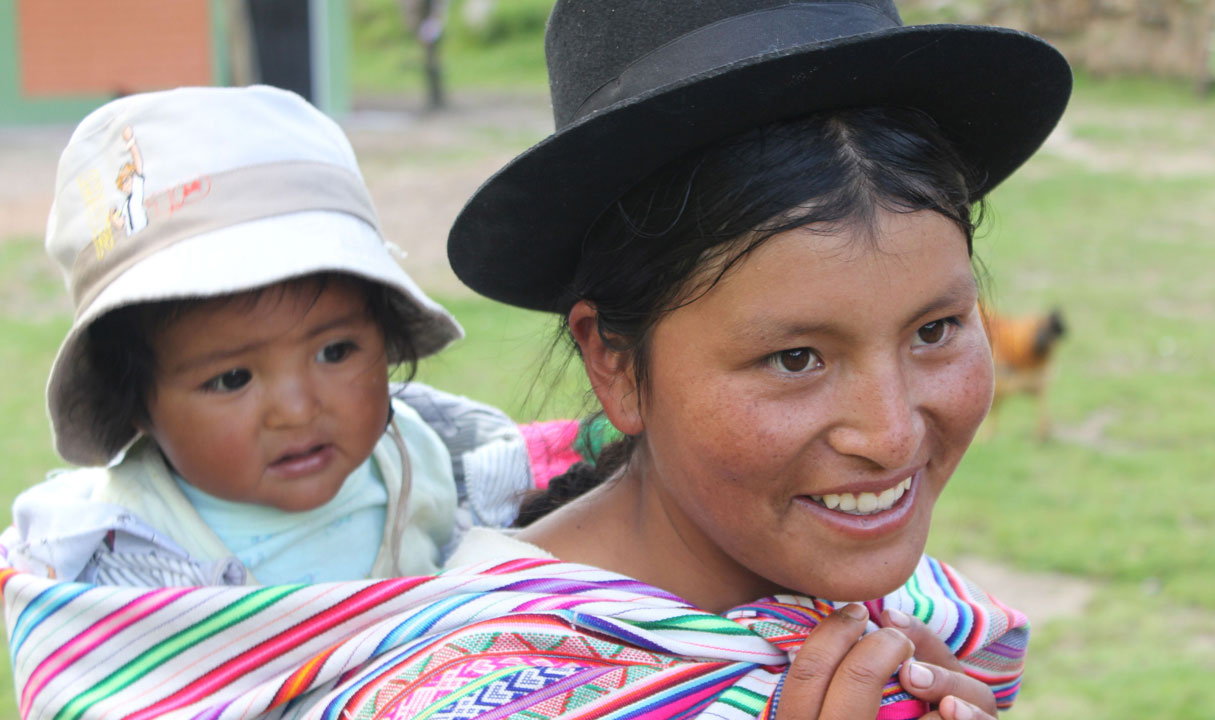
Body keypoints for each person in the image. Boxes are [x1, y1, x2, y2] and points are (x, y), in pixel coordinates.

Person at [444, 0, 1071, 717]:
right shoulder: (478, 694)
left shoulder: (935, 630)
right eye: (796, 358)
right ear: (614, 361)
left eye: (934, 330)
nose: (892, 435)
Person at [1, 85, 534, 587]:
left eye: (335, 351)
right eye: (232, 379)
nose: (297, 411)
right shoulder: (115, 551)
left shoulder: (427, 462)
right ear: (136, 402)